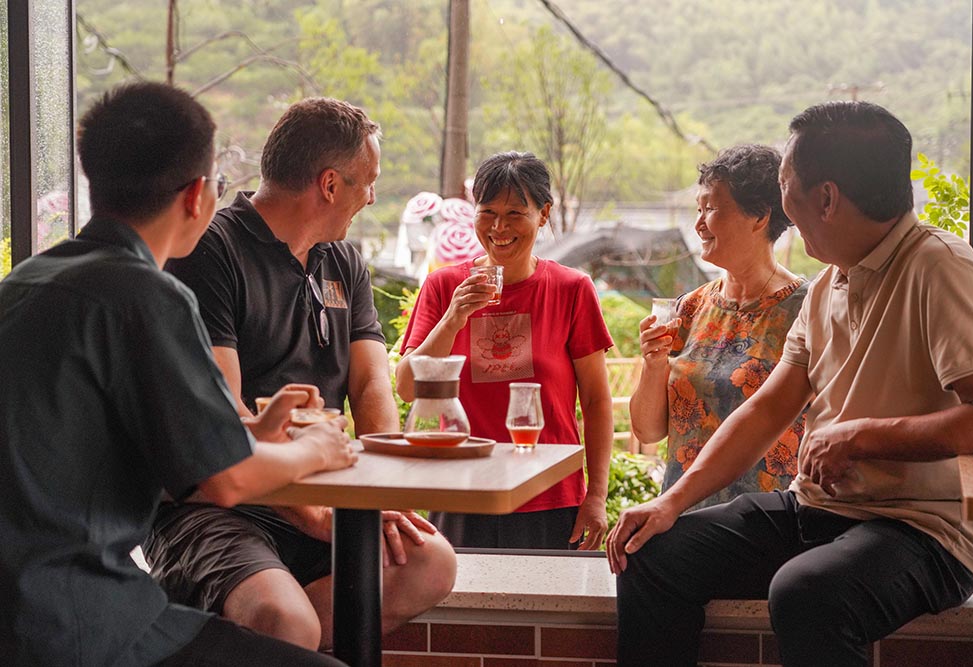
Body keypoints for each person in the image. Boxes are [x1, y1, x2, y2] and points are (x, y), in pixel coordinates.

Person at [608, 101, 973, 667]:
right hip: (818, 510)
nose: (782, 201)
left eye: (786, 184)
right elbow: (767, 412)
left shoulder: (940, 267)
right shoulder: (826, 287)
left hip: (923, 531)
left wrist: (862, 436)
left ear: (826, 199)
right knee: (653, 551)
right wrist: (671, 502)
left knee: (807, 593)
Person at [0, 82, 355, 666]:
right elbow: (225, 483)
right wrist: (317, 448)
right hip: (76, 620)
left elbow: (154, 453)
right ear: (198, 196)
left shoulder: (29, 282)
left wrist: (255, 430)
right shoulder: (145, 293)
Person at [144, 96, 457, 651]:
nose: (372, 197)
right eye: (367, 183)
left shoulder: (344, 261)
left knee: (429, 562)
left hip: (323, 495)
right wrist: (315, 517)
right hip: (219, 505)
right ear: (330, 184)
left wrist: (380, 494)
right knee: (285, 620)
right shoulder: (210, 249)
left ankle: (263, 651)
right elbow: (225, 414)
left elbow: (369, 384)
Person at [396, 151, 614, 550]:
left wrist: (596, 496)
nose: (499, 227)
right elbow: (409, 388)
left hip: (549, 493)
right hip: (462, 490)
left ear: (543, 214)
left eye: (516, 213)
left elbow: (597, 401)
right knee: (459, 610)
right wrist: (453, 317)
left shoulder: (571, 289)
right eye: (488, 211)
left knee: (545, 609)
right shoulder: (444, 287)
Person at [630, 144, 808, 508]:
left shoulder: (808, 309)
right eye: (698, 210)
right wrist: (653, 363)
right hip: (681, 516)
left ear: (759, 217)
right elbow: (648, 430)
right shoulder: (690, 308)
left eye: (710, 209)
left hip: (766, 524)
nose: (697, 224)